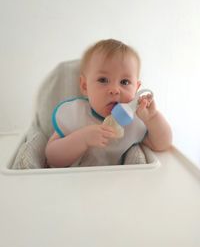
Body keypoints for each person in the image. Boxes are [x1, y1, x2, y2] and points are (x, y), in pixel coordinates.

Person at [45, 39, 172, 167]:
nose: (114, 90)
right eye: (103, 80)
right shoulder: (76, 114)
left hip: (117, 183)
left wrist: (152, 118)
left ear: (136, 89)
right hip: (74, 181)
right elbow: (52, 158)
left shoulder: (135, 120)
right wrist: (82, 139)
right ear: (85, 86)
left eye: (124, 82)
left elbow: (161, 145)